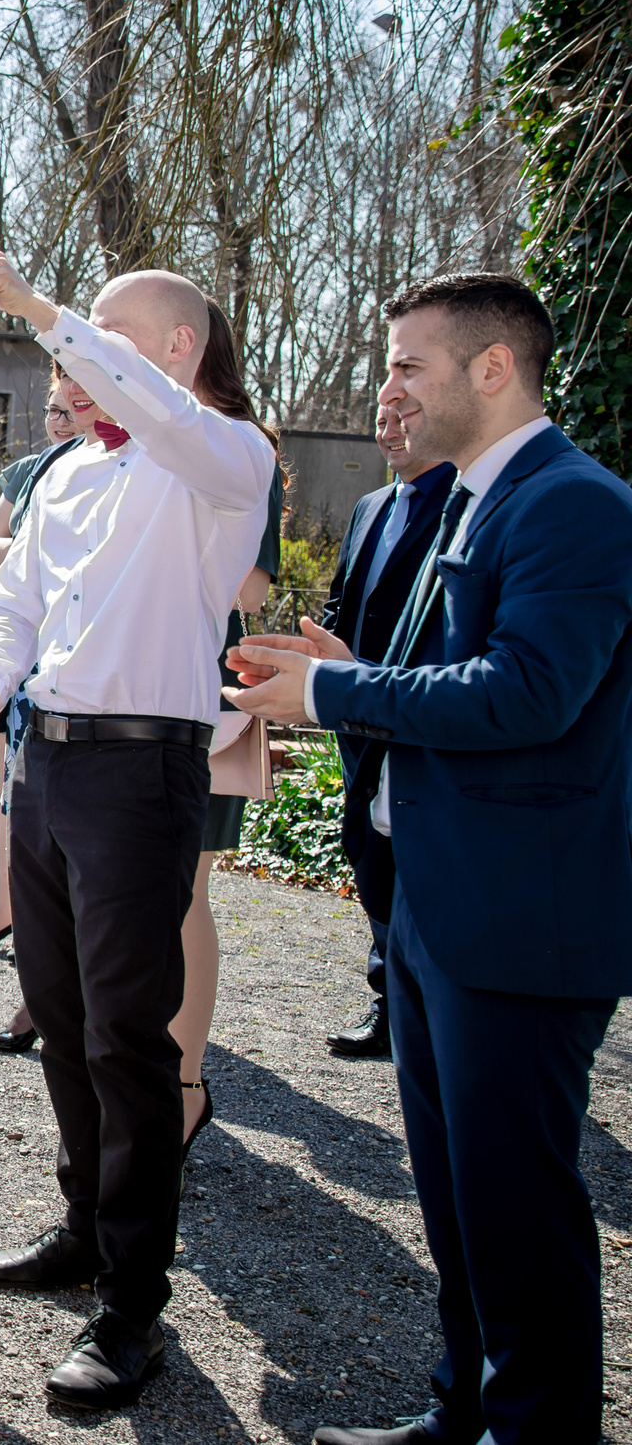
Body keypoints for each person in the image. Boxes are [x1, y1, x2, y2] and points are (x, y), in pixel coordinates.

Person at [228, 273, 632, 1445]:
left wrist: (334, 688)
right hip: (435, 906)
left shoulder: (574, 505)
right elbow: (444, 685)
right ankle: (465, 1411)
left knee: (517, 1200)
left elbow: (529, 694)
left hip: (520, 916)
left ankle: (538, 1432)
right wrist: (343, 666)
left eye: (408, 364)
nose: (388, 386)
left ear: (491, 368)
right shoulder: (464, 498)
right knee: (456, 1197)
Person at [0, 252, 277, 1412]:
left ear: (175, 350)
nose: (74, 359)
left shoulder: (224, 459)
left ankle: (133, 1301)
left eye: (105, 338)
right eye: (73, 340)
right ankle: (83, 1227)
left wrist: (40, 308)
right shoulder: (67, 481)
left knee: (125, 1038)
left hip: (144, 775)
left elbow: (158, 415)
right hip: (45, 768)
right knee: (58, 1013)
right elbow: (14, 605)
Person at [169, 305, 285, 1162]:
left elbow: (252, 588)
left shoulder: (246, 445)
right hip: (119, 705)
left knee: (184, 896)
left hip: (201, 701)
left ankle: (184, 1083)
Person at [311, 402, 452, 1061]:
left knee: (414, 861)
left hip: (420, 715)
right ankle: (389, 1001)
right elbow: (345, 597)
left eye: (404, 413)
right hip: (358, 720)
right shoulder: (371, 505)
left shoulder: (463, 505)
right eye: (381, 415)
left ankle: (425, 1007)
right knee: (368, 852)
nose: (389, 427)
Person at [0, 378, 80, 973]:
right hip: (21, 638)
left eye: (72, 410)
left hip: (70, 646)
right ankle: (9, 902)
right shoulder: (30, 471)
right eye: (53, 411)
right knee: (14, 783)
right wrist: (31, 556)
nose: (61, 422)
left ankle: (44, 924)